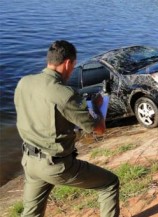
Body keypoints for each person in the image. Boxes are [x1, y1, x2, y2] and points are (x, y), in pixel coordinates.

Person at [14, 40, 119, 217]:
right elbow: (99, 129)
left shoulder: (24, 83)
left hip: (29, 161)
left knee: (31, 213)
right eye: (73, 65)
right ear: (69, 63)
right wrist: (97, 108)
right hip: (56, 165)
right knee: (109, 183)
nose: (72, 71)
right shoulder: (65, 93)